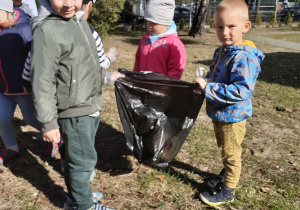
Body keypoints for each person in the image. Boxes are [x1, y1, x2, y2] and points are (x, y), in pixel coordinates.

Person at [30, 0, 123, 209]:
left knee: (76, 157)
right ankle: (84, 205)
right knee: (82, 163)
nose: (68, 3)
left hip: (89, 105)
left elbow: (89, 64)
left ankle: (76, 198)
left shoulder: (79, 23)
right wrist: (48, 122)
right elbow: (41, 80)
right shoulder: (47, 31)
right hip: (72, 111)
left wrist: (105, 78)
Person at [193, 0, 264, 206]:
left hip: (232, 116)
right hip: (220, 112)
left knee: (231, 154)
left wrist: (209, 88)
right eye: (220, 26)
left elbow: (241, 91)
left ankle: (228, 191)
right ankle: (226, 177)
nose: (225, 32)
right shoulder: (223, 50)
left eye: (231, 26)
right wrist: (206, 81)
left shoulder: (244, 57)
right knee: (224, 148)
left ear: (245, 27)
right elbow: (216, 74)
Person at [0, 0, 41, 165]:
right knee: (1, 119)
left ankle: (59, 138)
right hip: (2, 87)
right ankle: (11, 146)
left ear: (6, 10)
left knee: (31, 119)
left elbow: (34, 57)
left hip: (21, 87)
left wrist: (31, 81)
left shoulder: (24, 29)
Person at [132, 0, 186, 80]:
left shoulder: (174, 43)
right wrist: (134, 77)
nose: (149, 26)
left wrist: (168, 85)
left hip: (161, 87)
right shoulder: (145, 40)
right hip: (143, 85)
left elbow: (176, 68)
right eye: (147, 21)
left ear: (165, 22)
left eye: (153, 23)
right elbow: (138, 62)